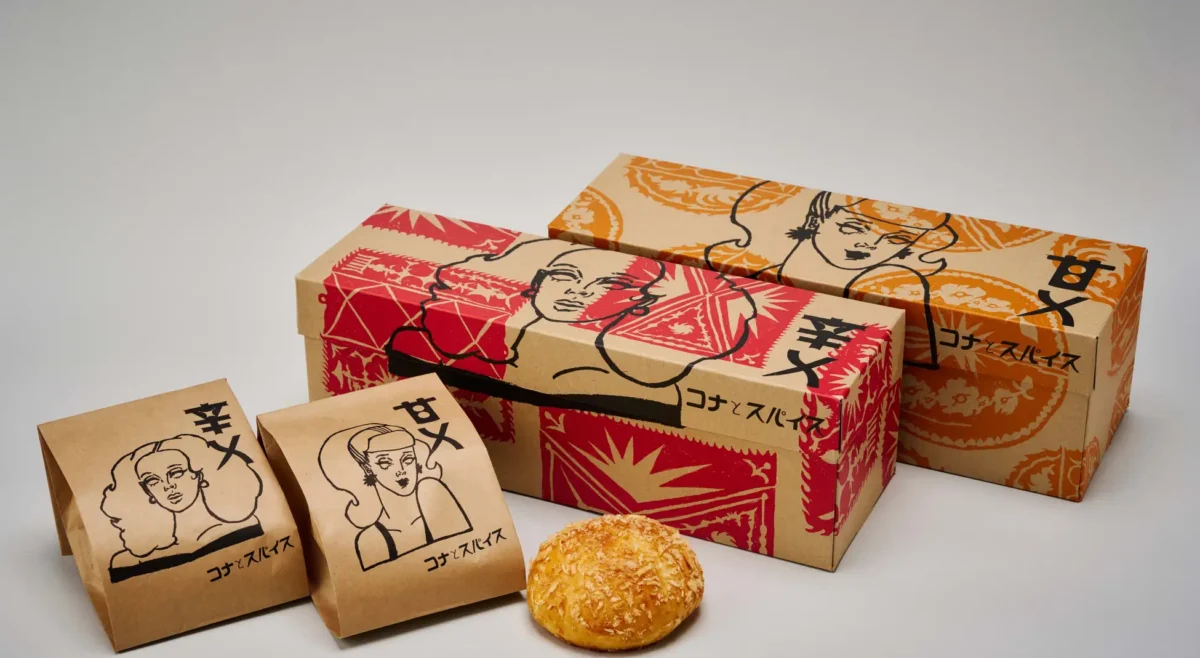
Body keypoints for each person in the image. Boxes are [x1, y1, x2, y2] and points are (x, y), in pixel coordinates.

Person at [387, 239, 756, 425]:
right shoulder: (426, 342)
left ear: (639, 303)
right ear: (535, 283)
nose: (578, 292)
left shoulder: (642, 380)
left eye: (610, 285)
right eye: (565, 277)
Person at [707, 189, 957, 368]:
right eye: (852, 228)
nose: (870, 244)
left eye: (897, 240)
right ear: (816, 219)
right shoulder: (730, 281)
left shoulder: (891, 300)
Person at [101, 434, 263, 581]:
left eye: (176, 473)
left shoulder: (244, 526)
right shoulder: (127, 561)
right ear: (147, 492)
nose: (168, 486)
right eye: (152, 480)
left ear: (198, 475)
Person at [319, 424, 471, 571]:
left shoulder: (439, 503)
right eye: (385, 463)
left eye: (408, 459)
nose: (401, 470)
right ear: (367, 468)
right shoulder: (371, 539)